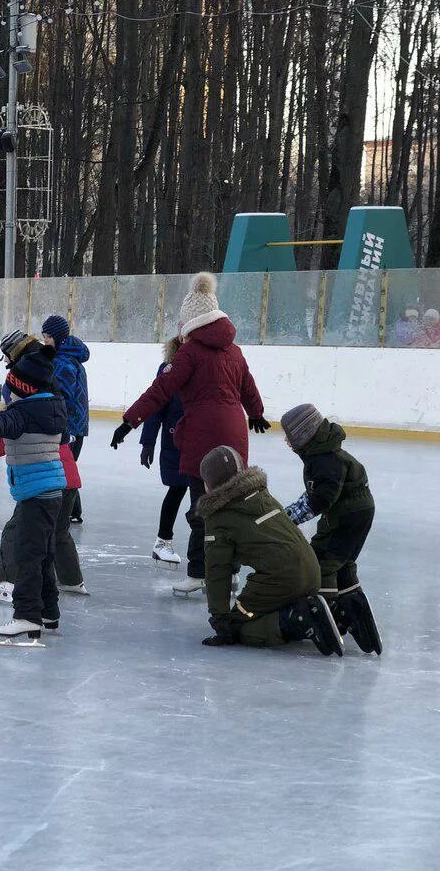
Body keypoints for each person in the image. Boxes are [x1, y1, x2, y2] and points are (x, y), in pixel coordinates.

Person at [110, 272, 267, 596]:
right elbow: (248, 387)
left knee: (203, 507)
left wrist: (130, 421)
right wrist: (257, 414)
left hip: (202, 435)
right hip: (235, 434)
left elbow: (161, 390)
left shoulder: (191, 354)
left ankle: (198, 572)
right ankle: (231, 571)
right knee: (230, 503)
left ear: (192, 323)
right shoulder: (234, 351)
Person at [0, 331, 85, 604]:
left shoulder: (25, 405)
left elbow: (8, 438)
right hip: (69, 480)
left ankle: (6, 584)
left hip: (41, 481)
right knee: (58, 533)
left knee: (16, 531)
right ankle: (73, 581)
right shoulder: (51, 403)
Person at [196, 446, 343, 655]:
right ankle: (342, 611)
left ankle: (297, 619)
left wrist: (221, 619)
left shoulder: (218, 517)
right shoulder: (260, 494)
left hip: (280, 579)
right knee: (272, 606)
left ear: (209, 484)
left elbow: (217, 570)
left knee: (242, 627)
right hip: (312, 570)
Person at [280, 404, 381, 654]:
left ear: (303, 436)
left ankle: (329, 614)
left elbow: (321, 498)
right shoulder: (326, 452)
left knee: (322, 559)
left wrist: (291, 518)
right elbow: (318, 493)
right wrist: (290, 513)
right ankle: (351, 600)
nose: (288, 444)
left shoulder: (324, 458)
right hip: (358, 511)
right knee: (343, 561)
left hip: (346, 515)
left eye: (289, 438)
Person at [137, 336, 192, 568]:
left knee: (207, 495)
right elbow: (156, 405)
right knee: (178, 488)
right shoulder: (169, 368)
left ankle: (210, 550)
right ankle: (162, 542)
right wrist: (148, 441)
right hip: (176, 440)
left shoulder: (206, 364)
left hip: (203, 438)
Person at [41, 315, 89, 524]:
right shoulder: (67, 357)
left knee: (62, 470)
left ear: (58, 338)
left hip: (68, 427)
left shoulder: (63, 362)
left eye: (48, 337)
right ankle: (74, 510)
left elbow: (62, 396)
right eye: (44, 337)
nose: (45, 342)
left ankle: (67, 510)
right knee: (66, 467)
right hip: (75, 426)